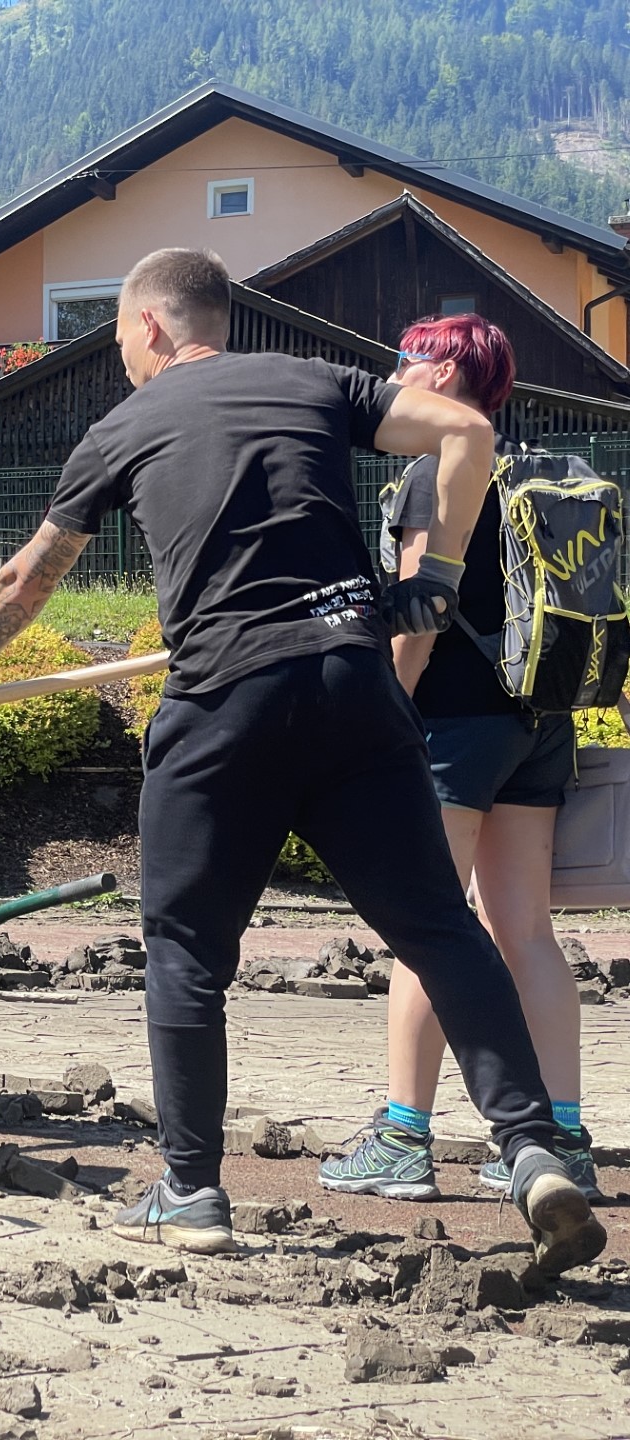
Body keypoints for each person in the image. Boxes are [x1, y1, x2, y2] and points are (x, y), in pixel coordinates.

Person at [0, 249, 605, 1275]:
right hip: (354, 689)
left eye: (120, 345)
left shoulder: (124, 426)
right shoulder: (313, 381)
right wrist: (436, 576)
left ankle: (190, 1188)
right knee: (443, 929)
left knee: (186, 949)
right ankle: (533, 1149)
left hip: (224, 700)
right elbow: (467, 430)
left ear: (147, 330)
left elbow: (29, 572)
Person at [320, 315, 599, 1201]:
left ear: (442, 375)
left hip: (451, 729)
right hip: (540, 721)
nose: (395, 371)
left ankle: (404, 1137)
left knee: (426, 926)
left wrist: (380, 714)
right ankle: (566, 1138)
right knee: (527, 933)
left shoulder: (436, 471)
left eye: (407, 358)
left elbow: (417, 619)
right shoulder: (541, 472)